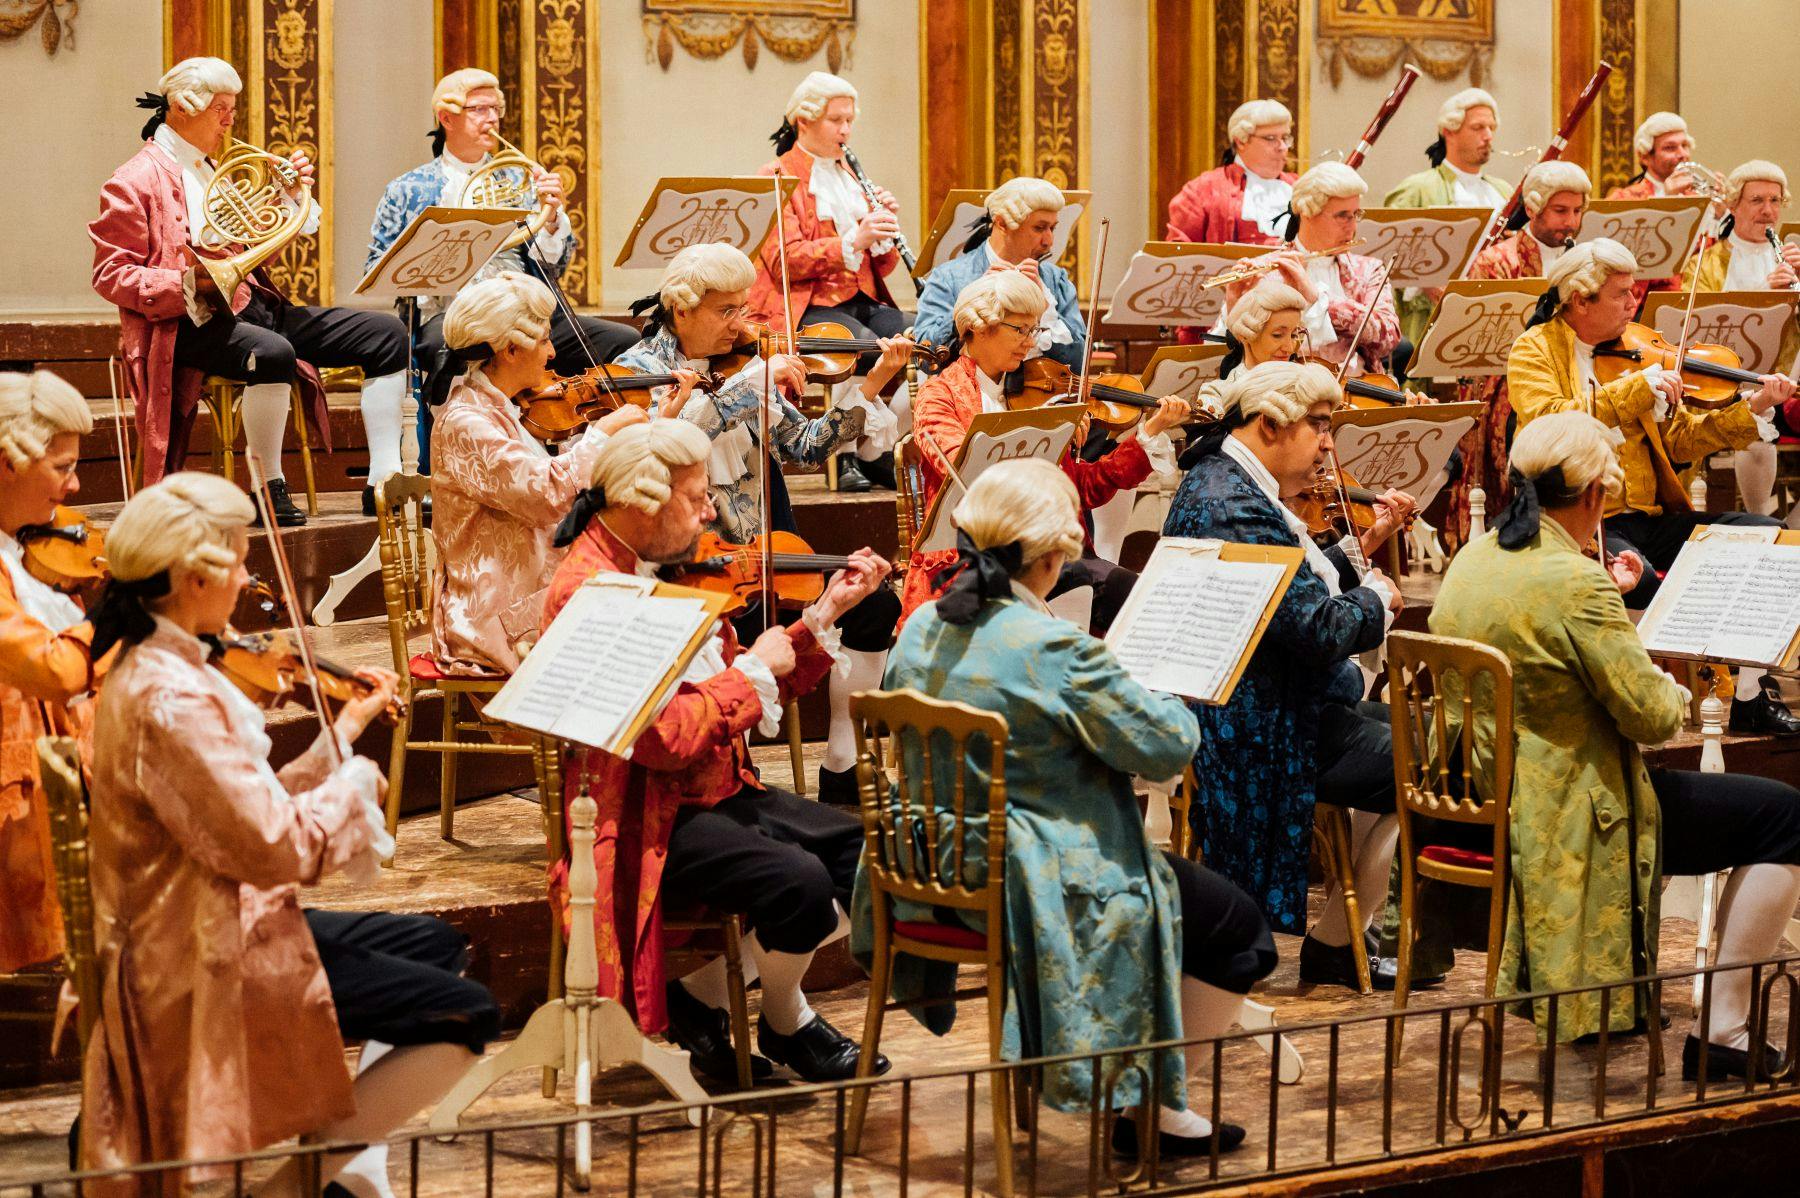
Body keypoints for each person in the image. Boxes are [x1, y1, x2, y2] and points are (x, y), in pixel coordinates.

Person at [79, 472, 498, 1196]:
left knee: (438, 944)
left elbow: (242, 805)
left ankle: (343, 1152)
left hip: (211, 915)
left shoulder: (169, 662)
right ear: (191, 577)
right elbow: (277, 848)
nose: (247, 579)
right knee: (466, 1014)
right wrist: (356, 786)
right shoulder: (169, 696)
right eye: (239, 560)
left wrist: (346, 730)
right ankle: (299, 1186)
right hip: (193, 948)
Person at [862, 457, 1277, 1156]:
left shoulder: (923, 627)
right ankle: (1155, 1112)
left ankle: (1134, 1070)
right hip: (1032, 877)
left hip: (928, 869)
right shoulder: (1052, 647)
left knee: (1192, 907)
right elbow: (1168, 748)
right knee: (1237, 929)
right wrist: (1156, 688)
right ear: (1053, 556)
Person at [1431, 410, 1800, 1079]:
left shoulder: (1473, 558)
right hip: (1567, 806)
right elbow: (1655, 720)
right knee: (1782, 816)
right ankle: (1725, 1030)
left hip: (1479, 788)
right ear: (1596, 495)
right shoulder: (1575, 581)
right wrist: (1672, 683)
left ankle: (1625, 995)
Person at [542, 419, 892, 1085]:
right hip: (643, 811)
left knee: (867, 859)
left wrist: (823, 615)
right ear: (641, 502)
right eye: (695, 497)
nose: (711, 512)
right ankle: (789, 1021)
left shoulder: (671, 566)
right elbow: (661, 739)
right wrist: (751, 669)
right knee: (799, 883)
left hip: (716, 791)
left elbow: (751, 682)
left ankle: (705, 1004)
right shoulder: (592, 590)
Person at [615, 242, 907, 800]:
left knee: (874, 602)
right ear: (681, 309)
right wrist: (746, 388)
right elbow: (657, 452)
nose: (739, 324)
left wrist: (869, 386)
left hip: (762, 559)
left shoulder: (747, 365)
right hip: (683, 575)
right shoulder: (637, 373)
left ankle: (844, 765)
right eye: (725, 311)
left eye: (743, 309)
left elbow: (805, 446)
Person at [1163, 361, 1420, 989]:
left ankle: (1342, 936)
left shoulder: (1226, 481)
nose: (1330, 443)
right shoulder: (1232, 503)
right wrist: (1377, 603)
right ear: (1270, 425)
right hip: (1258, 726)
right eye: (1321, 425)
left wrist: (1360, 554)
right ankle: (1338, 940)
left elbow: (1291, 588)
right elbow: (1316, 631)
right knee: (1434, 758)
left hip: (1282, 702)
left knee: (1436, 737)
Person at [90, 57, 407, 523]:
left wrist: (286, 198)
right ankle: (267, 486)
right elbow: (110, 273)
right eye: (220, 108)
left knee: (386, 333)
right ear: (181, 107)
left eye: (231, 109)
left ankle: (384, 480)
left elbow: (253, 252)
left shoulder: (212, 169)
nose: (229, 119)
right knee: (273, 352)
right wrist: (184, 282)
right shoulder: (132, 180)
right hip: (187, 323)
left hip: (253, 306)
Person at [1506, 238, 1800, 734]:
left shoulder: (1638, 355)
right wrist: (1635, 390)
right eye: (1621, 294)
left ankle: (1748, 691)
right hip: (1579, 520)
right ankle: (1645, 703)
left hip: (1650, 517)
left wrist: (1753, 411)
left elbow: (1681, 440)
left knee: (1767, 539)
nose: (1633, 305)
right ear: (1581, 300)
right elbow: (1548, 423)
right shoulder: (1533, 350)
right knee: (1641, 579)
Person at [366, 68, 637, 482]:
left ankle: (602, 452)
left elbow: (555, 266)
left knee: (623, 343)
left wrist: (550, 219)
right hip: (453, 310)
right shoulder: (407, 189)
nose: (491, 119)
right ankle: (455, 458)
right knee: (446, 347)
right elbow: (378, 266)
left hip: (525, 305)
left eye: (496, 108)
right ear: (447, 117)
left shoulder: (520, 178)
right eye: (478, 109)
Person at [899, 271, 1188, 632]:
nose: (1029, 342)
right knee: (1082, 582)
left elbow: (1085, 488)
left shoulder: (1033, 393)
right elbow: (962, 467)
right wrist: (1030, 435)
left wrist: (1148, 433)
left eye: (1034, 330)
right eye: (1019, 329)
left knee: (1134, 596)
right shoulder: (938, 394)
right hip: (971, 556)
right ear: (978, 327)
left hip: (1044, 554)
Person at [429, 272, 647, 676]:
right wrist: (600, 435)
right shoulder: (466, 421)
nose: (552, 353)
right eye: (544, 340)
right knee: (636, 644)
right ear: (510, 350)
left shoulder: (501, 407)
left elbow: (549, 470)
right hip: (494, 619)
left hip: (532, 593)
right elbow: (547, 494)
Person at [750, 71, 911, 491]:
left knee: (921, 341)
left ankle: (875, 452)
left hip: (861, 296)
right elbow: (785, 260)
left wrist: (883, 233)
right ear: (804, 121)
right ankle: (843, 458)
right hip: (806, 303)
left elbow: (884, 267)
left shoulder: (851, 175)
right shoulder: (776, 175)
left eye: (849, 121)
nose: (845, 130)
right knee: (855, 347)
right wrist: (855, 237)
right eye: (836, 120)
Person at [0, 371, 99, 977]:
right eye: (60, 467)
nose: (75, 485)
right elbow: (51, 669)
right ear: (7, 462)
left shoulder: (23, 546)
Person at [1444, 160, 1593, 551]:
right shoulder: (1497, 261)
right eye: (1561, 211)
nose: (1571, 222)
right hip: (1504, 377)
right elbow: (1475, 339)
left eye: (1577, 211)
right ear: (1532, 209)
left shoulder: (1585, 261)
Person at [1678, 160, 1800, 523]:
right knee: (1756, 422)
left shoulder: (1793, 259)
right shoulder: (1707, 261)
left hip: (1781, 376)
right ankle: (1759, 517)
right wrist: (1764, 294)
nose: (1768, 211)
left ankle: (1781, 526)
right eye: (1757, 200)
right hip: (1720, 379)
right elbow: (1691, 324)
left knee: (1769, 407)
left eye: (1776, 201)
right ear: (1733, 205)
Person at [1383, 89, 1510, 352]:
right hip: (1430, 316)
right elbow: (1388, 255)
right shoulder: (1417, 189)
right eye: (1477, 127)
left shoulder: (1504, 192)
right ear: (1449, 131)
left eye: (1491, 127)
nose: (1488, 136)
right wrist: (1432, 284)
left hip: (1494, 315)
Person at [912, 176, 1086, 368]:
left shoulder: (1055, 280)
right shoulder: (948, 278)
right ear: (1001, 223)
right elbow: (927, 360)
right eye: (1039, 228)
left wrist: (1047, 312)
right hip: (971, 394)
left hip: (1044, 395)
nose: (1049, 241)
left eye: (1052, 228)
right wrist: (972, 306)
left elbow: (1079, 364)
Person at [1248, 163, 1400, 377]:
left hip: (1358, 392)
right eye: (1342, 215)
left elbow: (1389, 338)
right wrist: (1233, 303)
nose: (1353, 226)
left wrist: (1319, 299)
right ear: (1308, 212)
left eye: (1356, 214)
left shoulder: (1368, 270)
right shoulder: (1267, 270)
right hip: (1286, 393)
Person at [1164, 99, 1297, 247]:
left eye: (1285, 138)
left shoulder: (1300, 188)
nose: (1283, 147)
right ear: (1241, 141)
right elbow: (1178, 251)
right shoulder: (1203, 190)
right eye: (1271, 138)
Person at [1609, 112, 1722, 201]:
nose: (1682, 154)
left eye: (1685, 145)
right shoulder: (1624, 199)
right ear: (1644, 157)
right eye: (1670, 148)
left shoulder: (1700, 196)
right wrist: (1668, 199)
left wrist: (1720, 214)